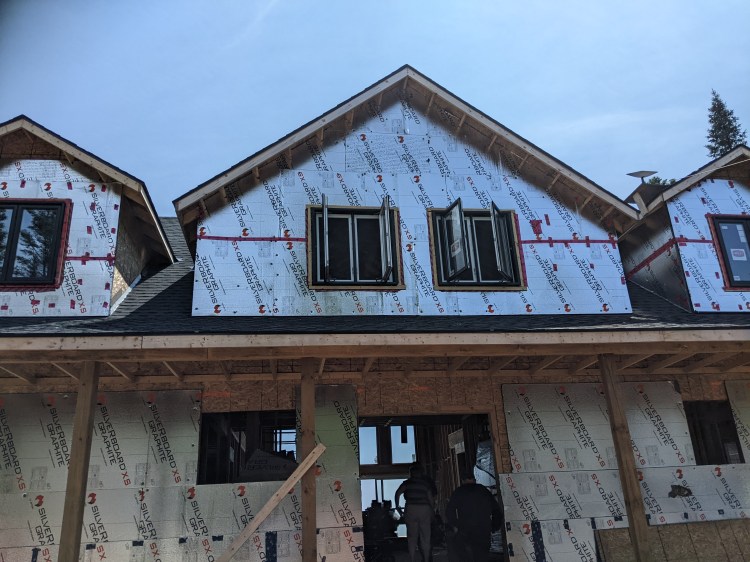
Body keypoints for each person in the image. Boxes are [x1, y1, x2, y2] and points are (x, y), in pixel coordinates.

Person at [445, 468, 503, 562]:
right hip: (483, 529)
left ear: (462, 480)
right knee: (482, 556)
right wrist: (494, 526)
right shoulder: (483, 490)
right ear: (474, 479)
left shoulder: (459, 492)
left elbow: (449, 511)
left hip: (466, 530)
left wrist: (456, 525)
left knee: (465, 554)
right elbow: (496, 510)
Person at [394, 463, 436, 562]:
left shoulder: (407, 483)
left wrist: (397, 507)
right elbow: (431, 499)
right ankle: (426, 559)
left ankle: (412, 558)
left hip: (411, 508)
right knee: (425, 537)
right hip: (424, 509)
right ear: (421, 473)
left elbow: (397, 493)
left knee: (412, 536)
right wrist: (432, 511)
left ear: (411, 473)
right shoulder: (425, 484)